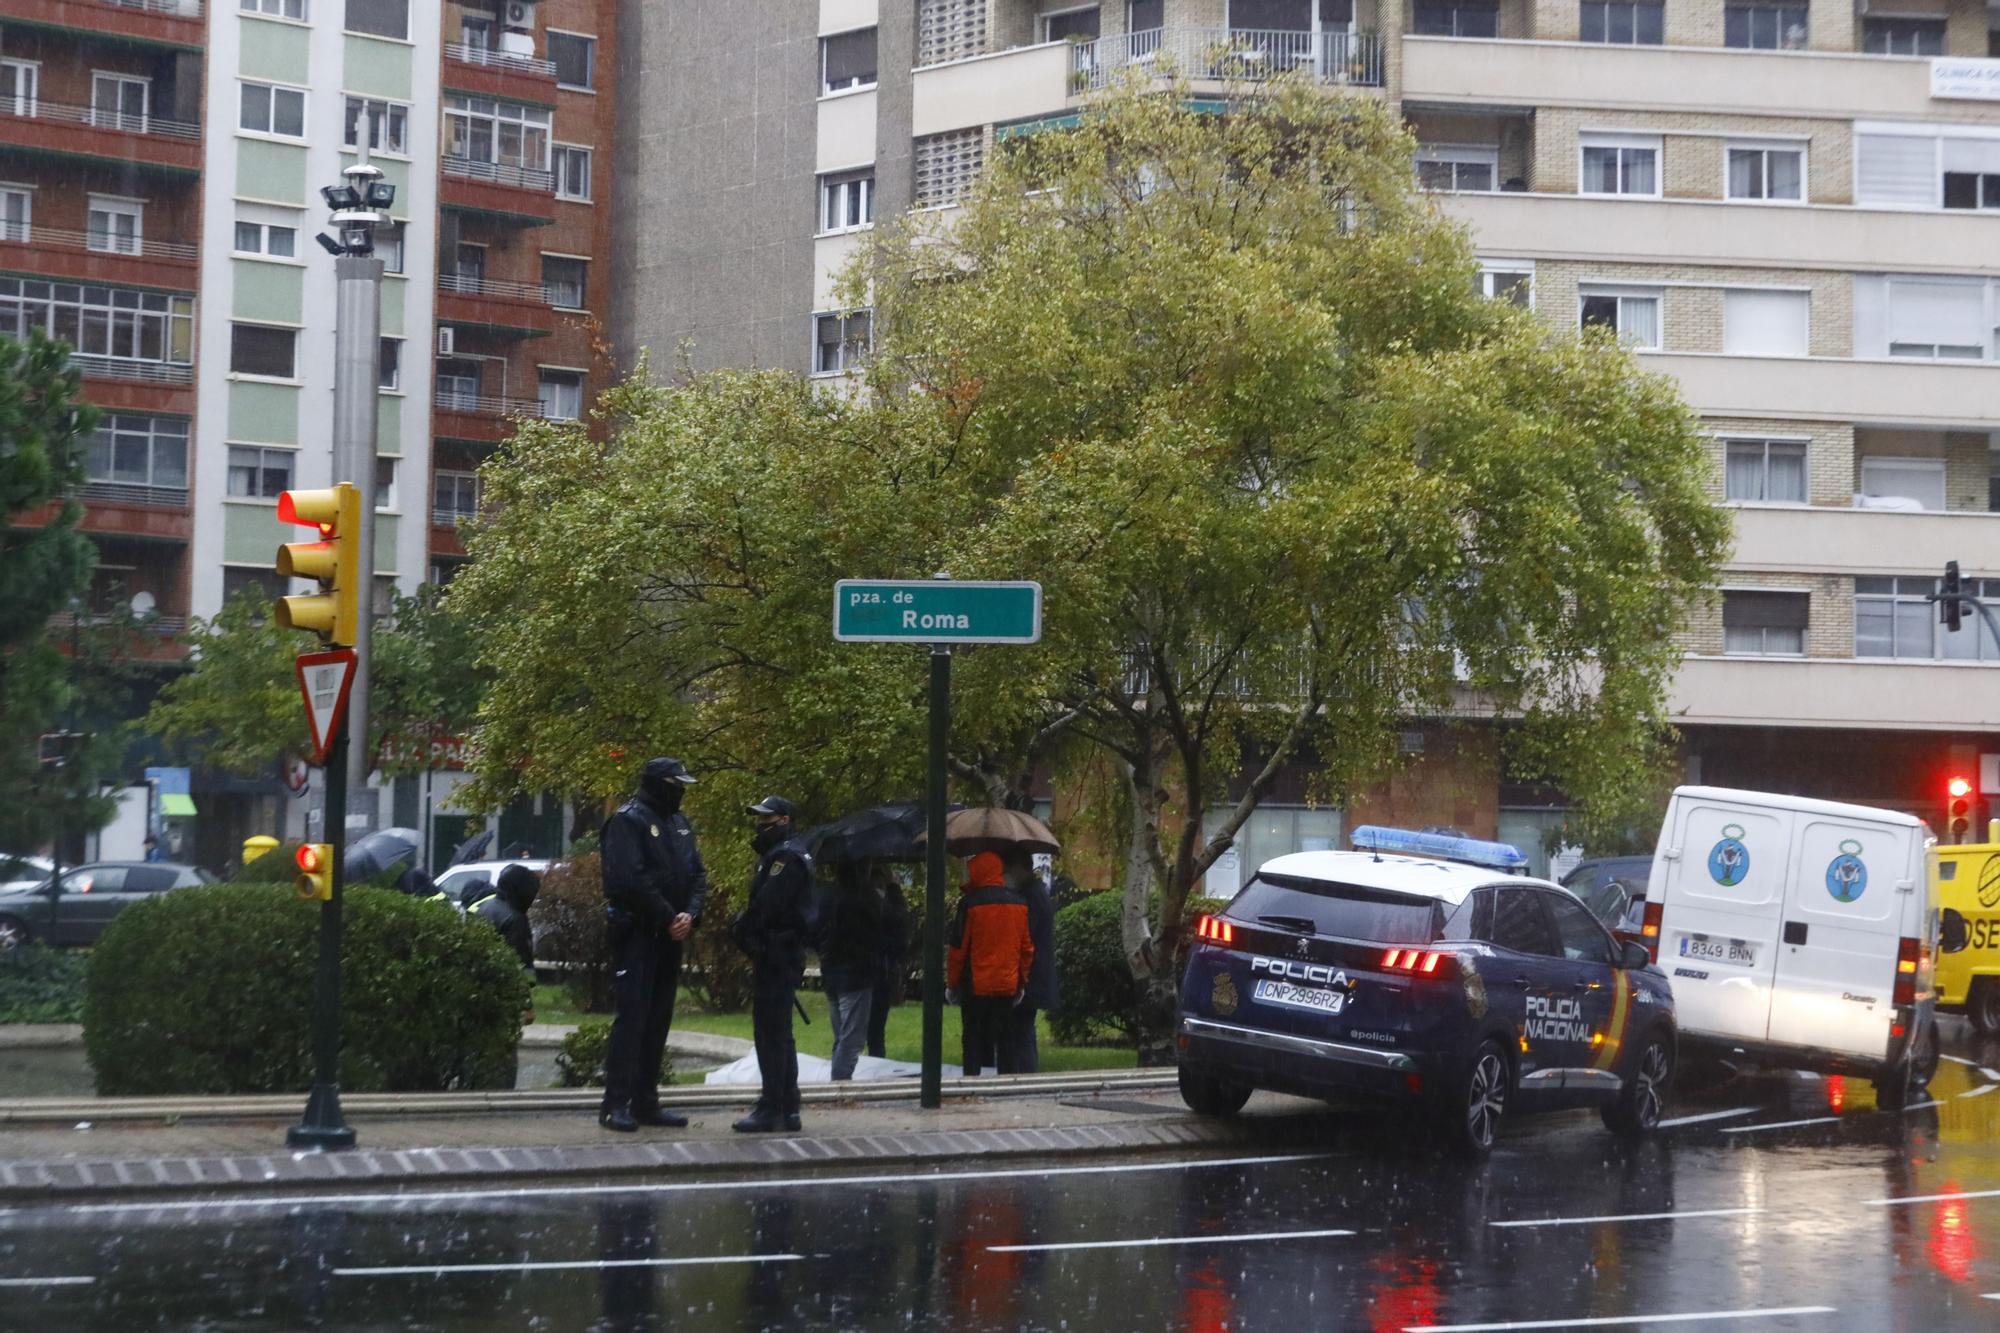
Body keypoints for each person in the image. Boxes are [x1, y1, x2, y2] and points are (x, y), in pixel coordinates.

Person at [597, 756, 708, 1133]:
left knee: (658, 1019)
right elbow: (628, 879)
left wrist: (689, 914)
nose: (681, 793)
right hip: (639, 933)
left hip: (670, 935)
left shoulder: (679, 824)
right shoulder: (629, 820)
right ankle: (616, 1104)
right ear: (659, 784)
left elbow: (697, 875)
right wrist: (667, 915)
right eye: (676, 785)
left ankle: (646, 1100)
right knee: (633, 1019)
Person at [730, 796, 812, 1132]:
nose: (760, 825)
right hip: (780, 952)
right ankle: (787, 1105)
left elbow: (767, 905)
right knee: (780, 1032)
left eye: (767, 819)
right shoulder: (785, 854)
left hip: (777, 952)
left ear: (784, 820)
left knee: (770, 1033)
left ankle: (773, 1106)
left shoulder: (785, 857)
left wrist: (741, 926)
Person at [946, 851, 1035, 1076]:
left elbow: (958, 949)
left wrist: (952, 983)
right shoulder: (1019, 903)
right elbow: (1026, 949)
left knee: (973, 1038)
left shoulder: (970, 904)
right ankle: (1007, 1081)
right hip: (1007, 984)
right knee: (1006, 1038)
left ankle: (972, 1082)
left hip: (975, 984)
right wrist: (1021, 981)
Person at [816, 860, 883, 1080]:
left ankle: (839, 1075)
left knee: (841, 1035)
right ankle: (840, 1082)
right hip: (856, 975)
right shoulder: (865, 900)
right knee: (851, 1038)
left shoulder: (827, 897)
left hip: (831, 972)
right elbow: (882, 927)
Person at [1003, 852, 1060, 1074]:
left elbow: (1024, 935)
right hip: (1035, 974)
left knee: (1021, 1031)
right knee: (1023, 1030)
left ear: (1023, 868)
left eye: (1010, 868)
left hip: (1030, 975)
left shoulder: (1030, 897)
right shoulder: (1037, 893)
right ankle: (1025, 1071)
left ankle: (1024, 1074)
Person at [867, 866, 909, 1060]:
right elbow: (901, 929)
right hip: (882, 971)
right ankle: (876, 1061)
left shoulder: (864, 900)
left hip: (866, 969)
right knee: (876, 1030)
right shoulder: (890, 905)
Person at [472, 863, 540, 971]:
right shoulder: (515, 920)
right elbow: (522, 962)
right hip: (504, 980)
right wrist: (529, 985)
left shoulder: (485, 907)